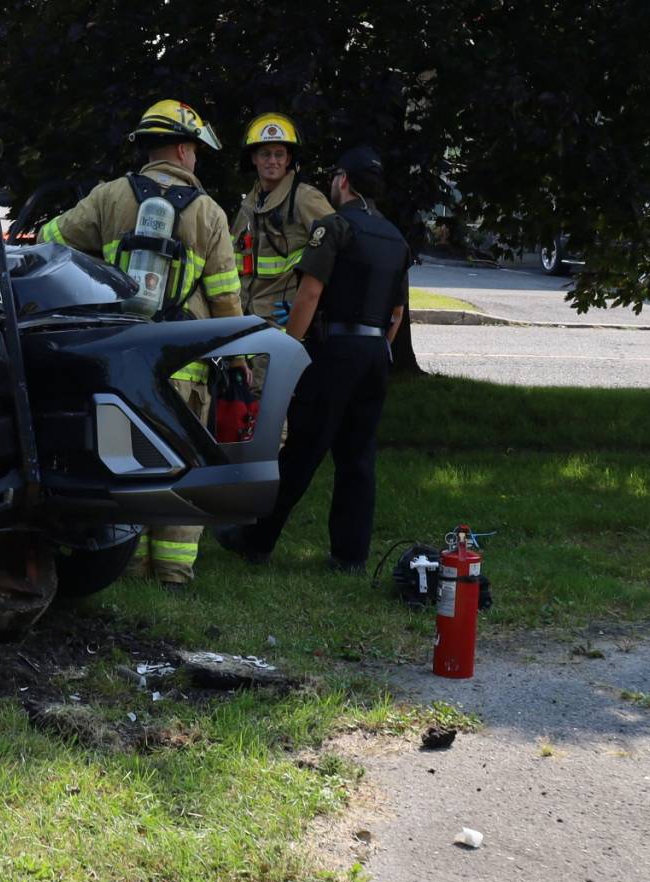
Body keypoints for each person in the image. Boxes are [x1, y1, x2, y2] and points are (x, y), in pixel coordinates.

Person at [40, 99, 242, 587]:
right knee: (183, 461)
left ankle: (126, 564)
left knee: (127, 456)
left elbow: (49, 241)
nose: (195, 158)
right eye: (194, 149)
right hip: (183, 362)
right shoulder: (209, 214)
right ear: (180, 148)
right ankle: (172, 571)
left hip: (121, 357)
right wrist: (238, 361)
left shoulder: (108, 197)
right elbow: (226, 301)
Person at [215, 144, 409, 572]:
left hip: (335, 352)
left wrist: (291, 344)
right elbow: (396, 313)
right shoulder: (395, 238)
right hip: (377, 353)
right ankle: (350, 556)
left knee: (302, 449)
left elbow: (311, 292)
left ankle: (256, 539)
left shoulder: (336, 229)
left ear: (342, 182)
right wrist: (380, 349)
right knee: (358, 457)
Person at [232, 113, 337, 326]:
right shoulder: (247, 207)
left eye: (279, 154)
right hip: (244, 320)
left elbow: (338, 251)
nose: (273, 161)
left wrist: (308, 308)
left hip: (281, 326)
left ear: (288, 159)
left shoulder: (305, 198)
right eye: (265, 154)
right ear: (254, 158)